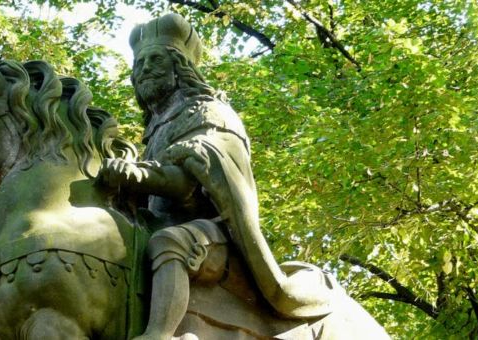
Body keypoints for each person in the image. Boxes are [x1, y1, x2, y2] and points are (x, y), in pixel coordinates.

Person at [99, 13, 342, 340]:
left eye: (154, 60)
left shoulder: (209, 112)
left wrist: (136, 175)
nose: (143, 69)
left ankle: (158, 334)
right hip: (155, 220)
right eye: (138, 63)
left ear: (179, 67)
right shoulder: (154, 130)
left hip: (210, 231)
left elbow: (191, 181)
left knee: (169, 242)